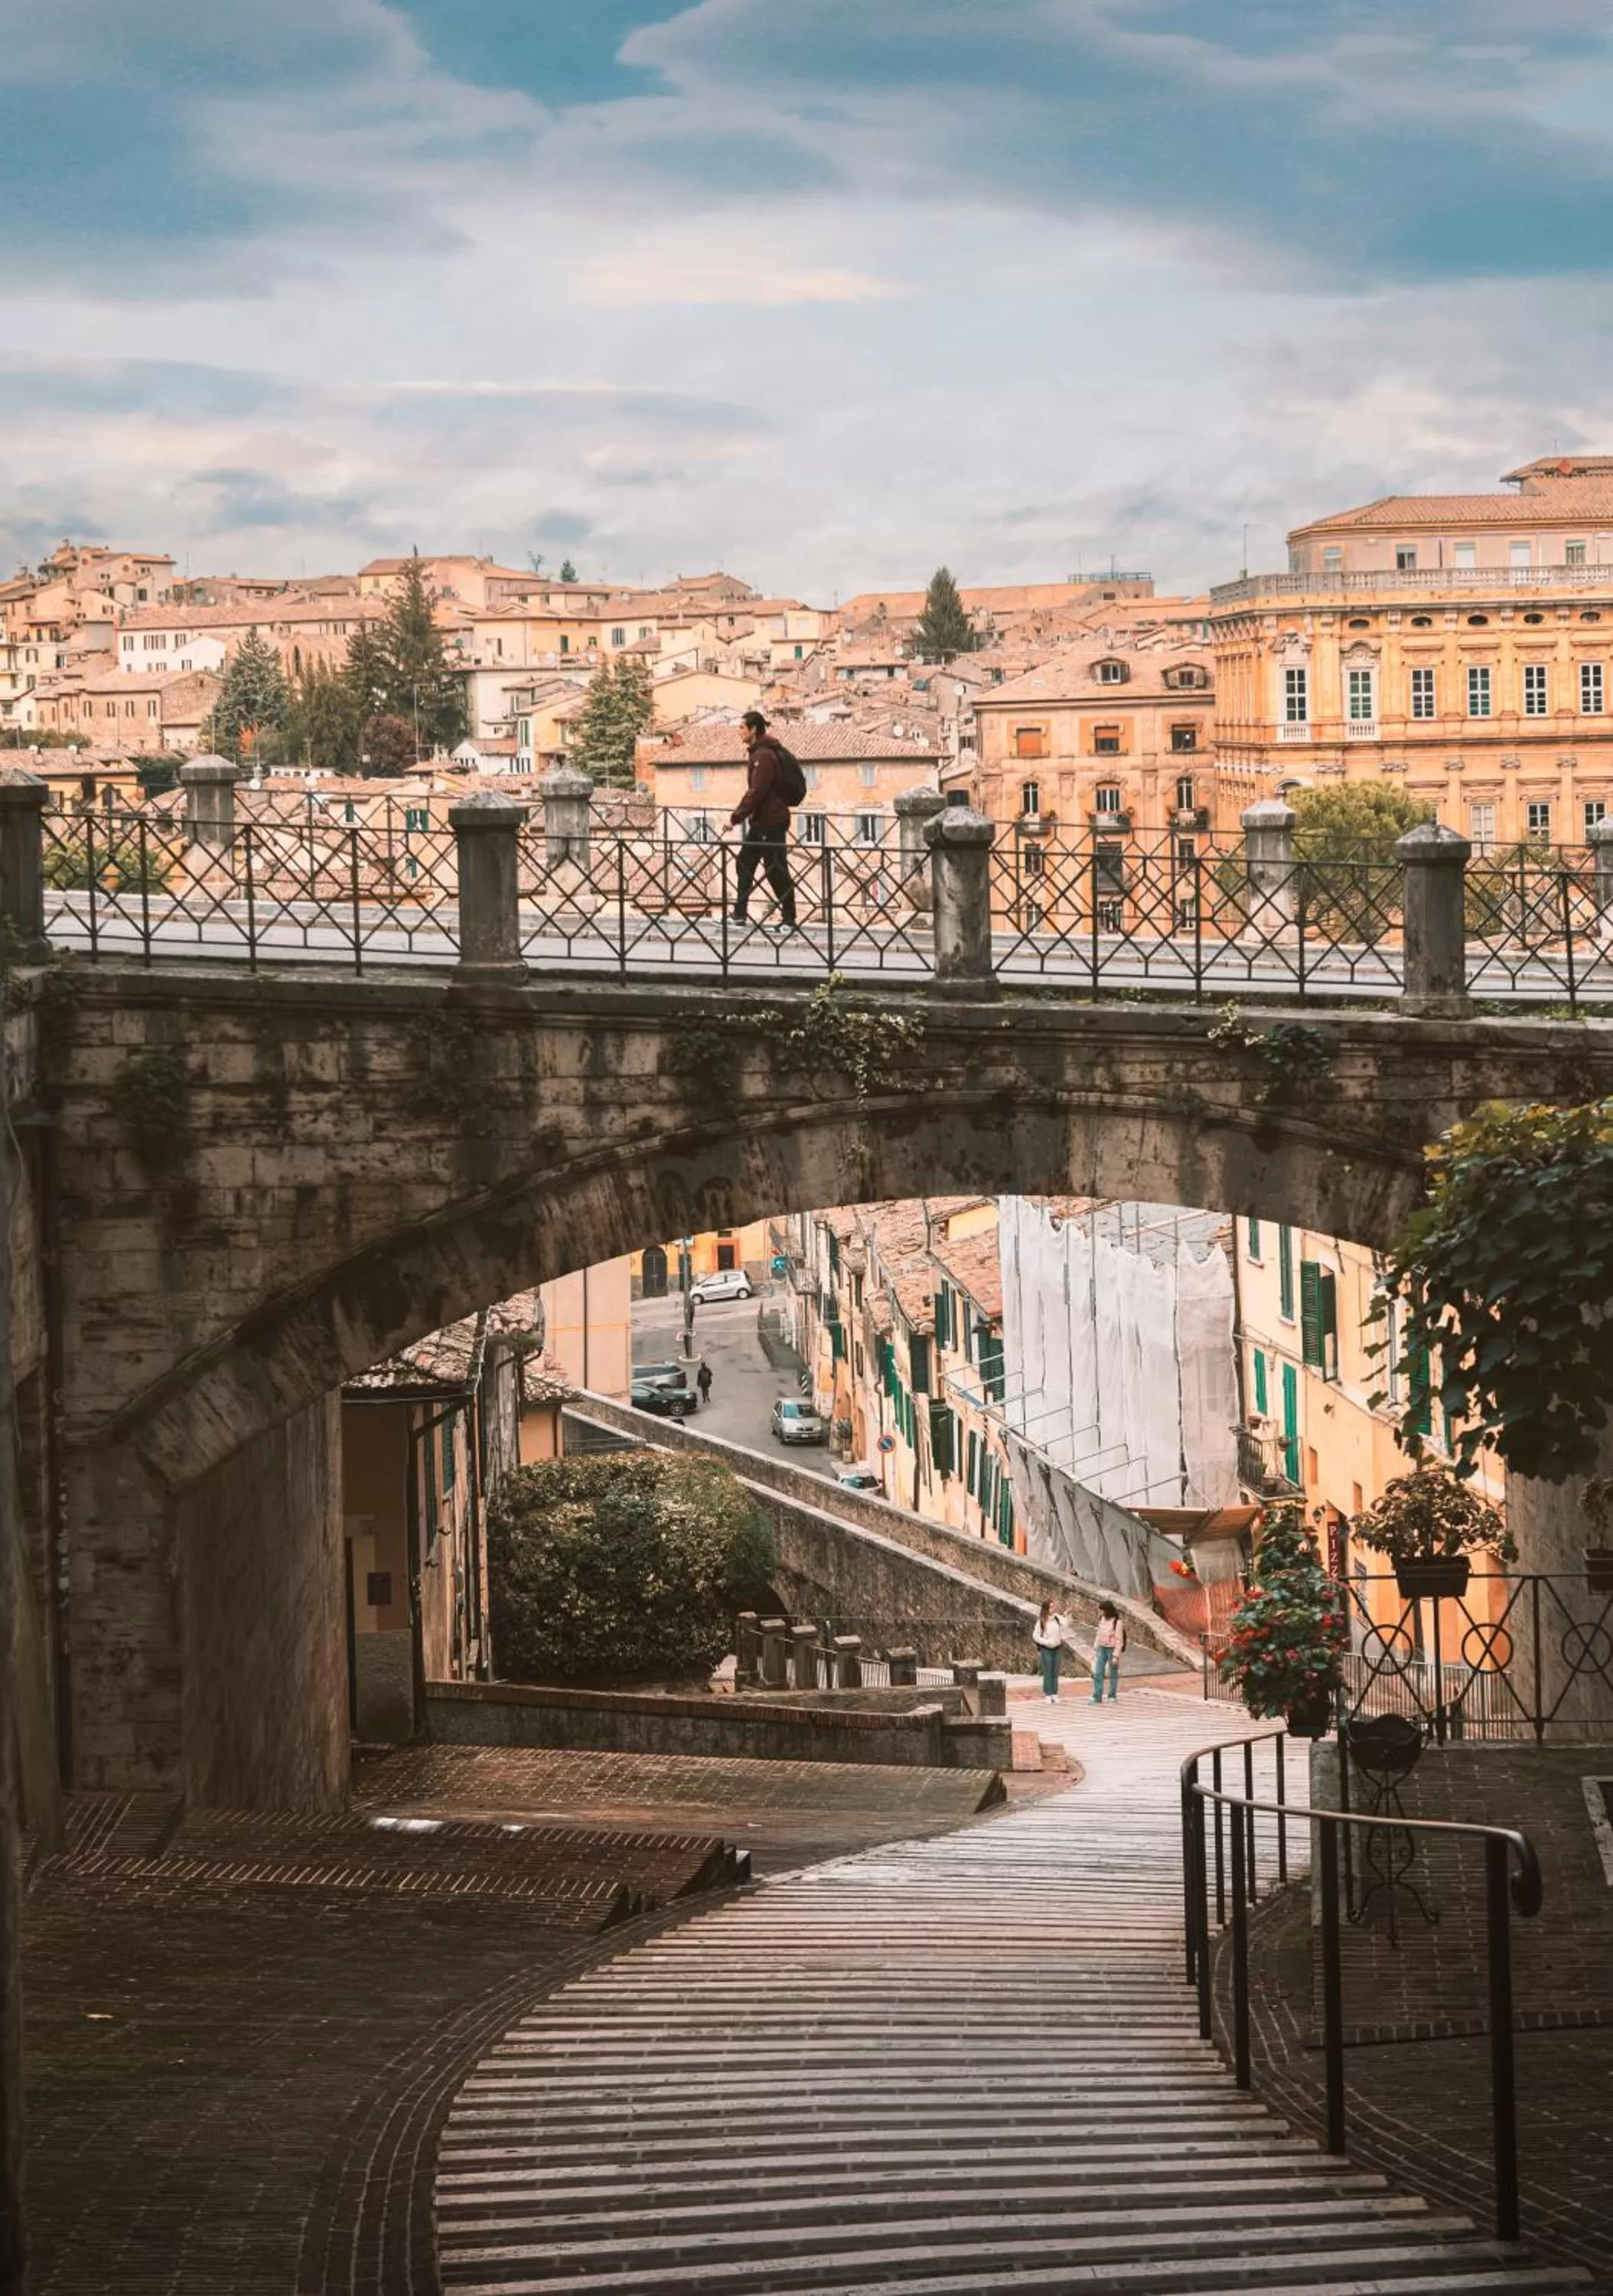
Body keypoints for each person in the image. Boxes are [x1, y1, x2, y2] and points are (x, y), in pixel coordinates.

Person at [728, 709, 797, 931]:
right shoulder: (761, 752)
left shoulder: (763, 756)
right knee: (745, 863)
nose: (739, 732)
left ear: (754, 729)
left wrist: (735, 818)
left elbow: (756, 792)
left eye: (742, 727)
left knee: (775, 869)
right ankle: (740, 914)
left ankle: (789, 919)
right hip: (764, 821)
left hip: (771, 820)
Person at [1090, 1600, 1126, 1703]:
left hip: (1111, 1649)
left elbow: (1119, 1640)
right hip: (1102, 1648)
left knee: (1113, 1673)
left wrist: (1116, 1655)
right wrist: (1095, 1648)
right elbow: (1098, 1634)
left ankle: (1112, 1695)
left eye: (1102, 1610)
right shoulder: (1101, 1620)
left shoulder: (1117, 1622)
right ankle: (1097, 1696)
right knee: (1098, 1672)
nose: (1100, 1612)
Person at [1032, 1599, 1066, 1704]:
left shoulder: (1057, 1618)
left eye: (1054, 1606)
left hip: (1057, 1647)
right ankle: (1048, 1693)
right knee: (1048, 1672)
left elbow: (1066, 1624)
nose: (1053, 1609)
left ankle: (1055, 1693)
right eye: (1051, 1607)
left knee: (1055, 1672)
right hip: (1047, 1649)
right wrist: (1046, 1642)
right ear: (1046, 1609)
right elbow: (1036, 1636)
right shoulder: (1041, 1621)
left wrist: (1068, 1615)